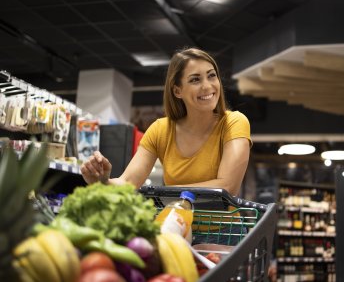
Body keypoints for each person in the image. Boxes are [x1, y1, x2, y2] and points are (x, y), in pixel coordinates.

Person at [80, 47, 252, 197]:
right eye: (195, 79)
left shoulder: (234, 122)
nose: (207, 86)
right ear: (177, 91)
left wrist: (163, 191)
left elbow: (227, 186)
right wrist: (103, 182)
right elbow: (128, 182)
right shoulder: (160, 130)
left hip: (223, 230)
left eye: (211, 76)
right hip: (174, 225)